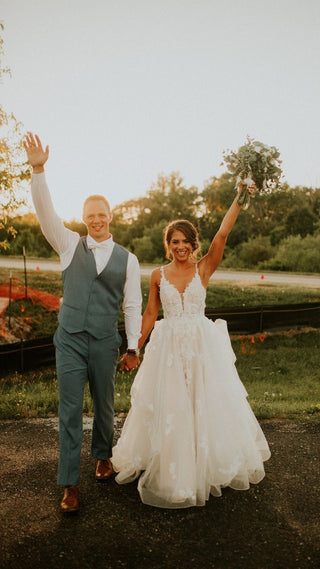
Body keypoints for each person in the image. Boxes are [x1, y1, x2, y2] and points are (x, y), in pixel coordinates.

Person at [112, 184, 271, 508]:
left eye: (185, 242)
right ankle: (176, 474)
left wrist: (239, 198)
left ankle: (206, 464)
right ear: (168, 245)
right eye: (175, 242)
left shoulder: (203, 268)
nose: (180, 247)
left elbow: (222, 235)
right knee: (172, 406)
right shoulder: (157, 275)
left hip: (201, 348)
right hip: (168, 349)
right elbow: (150, 314)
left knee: (204, 402)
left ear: (193, 244)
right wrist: (134, 348)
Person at [24, 133, 142, 514]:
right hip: (71, 340)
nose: (95, 219)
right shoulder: (68, 244)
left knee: (105, 407)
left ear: (110, 217)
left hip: (106, 342)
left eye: (101, 214)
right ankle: (69, 484)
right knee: (70, 410)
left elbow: (133, 305)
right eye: (89, 214)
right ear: (84, 217)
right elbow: (44, 211)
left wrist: (133, 346)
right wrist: (38, 170)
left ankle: (103, 457)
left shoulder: (129, 259)